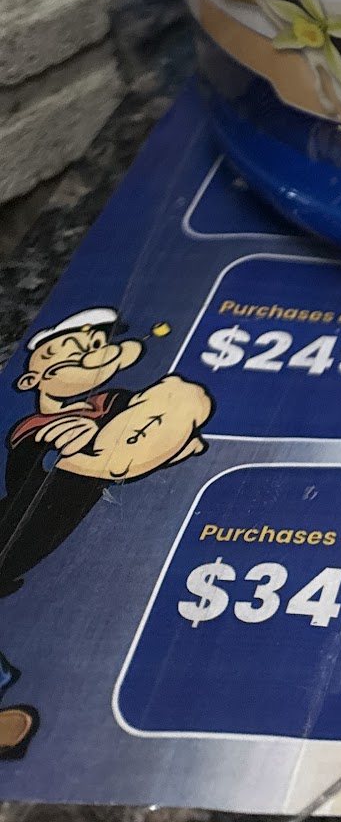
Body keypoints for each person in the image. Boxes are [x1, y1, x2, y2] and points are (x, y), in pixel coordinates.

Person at [0, 307, 213, 759]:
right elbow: (28, 474)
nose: (88, 352)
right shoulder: (35, 432)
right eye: (66, 350)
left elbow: (154, 420)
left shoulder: (111, 405)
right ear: (32, 378)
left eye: (95, 345)